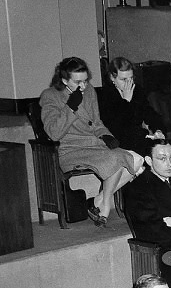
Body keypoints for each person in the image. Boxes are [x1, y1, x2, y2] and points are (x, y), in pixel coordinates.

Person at [39, 56, 140, 225]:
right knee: (117, 159)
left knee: (137, 160)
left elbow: (97, 123)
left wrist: (106, 135)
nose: (83, 86)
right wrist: (70, 107)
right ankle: (105, 206)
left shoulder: (90, 90)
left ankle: (99, 201)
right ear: (64, 80)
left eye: (85, 81)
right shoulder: (50, 96)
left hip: (94, 144)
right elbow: (54, 133)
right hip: (70, 149)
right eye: (78, 82)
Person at [96, 56, 171, 175]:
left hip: (140, 137)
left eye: (131, 78)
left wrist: (158, 130)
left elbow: (150, 114)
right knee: (161, 157)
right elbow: (118, 126)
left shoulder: (137, 91)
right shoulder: (105, 96)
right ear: (112, 78)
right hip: (121, 141)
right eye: (123, 79)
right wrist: (125, 101)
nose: (128, 83)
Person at [124, 139, 171, 252]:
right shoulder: (138, 188)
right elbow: (153, 231)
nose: (169, 164)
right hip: (167, 251)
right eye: (162, 158)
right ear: (149, 160)